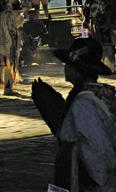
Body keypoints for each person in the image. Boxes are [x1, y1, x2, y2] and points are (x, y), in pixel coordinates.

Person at [32, 38, 115, 191]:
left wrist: (102, 185)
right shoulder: (104, 92)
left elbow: (99, 150)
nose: (64, 68)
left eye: (67, 64)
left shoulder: (84, 103)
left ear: (76, 69)